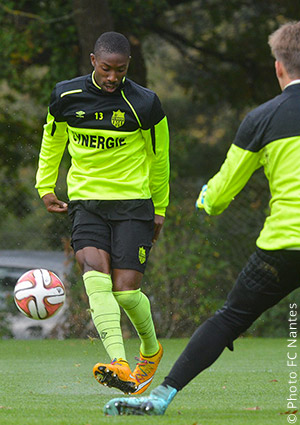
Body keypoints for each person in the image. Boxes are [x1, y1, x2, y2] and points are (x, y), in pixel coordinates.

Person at [103, 20, 300, 415]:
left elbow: (223, 189)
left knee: (228, 319)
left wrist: (207, 202)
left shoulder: (263, 118)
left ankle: (160, 397)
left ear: (278, 67)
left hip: (282, 246)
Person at [36, 31, 169, 395]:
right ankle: (120, 363)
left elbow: (160, 159)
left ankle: (150, 352)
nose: (113, 77)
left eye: (121, 71)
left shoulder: (145, 104)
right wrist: (45, 186)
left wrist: (159, 208)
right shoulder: (66, 96)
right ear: (93, 60)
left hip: (133, 206)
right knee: (93, 271)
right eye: (107, 69)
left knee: (126, 293)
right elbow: (53, 141)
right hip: (87, 204)